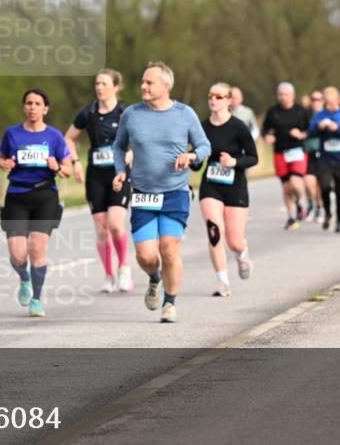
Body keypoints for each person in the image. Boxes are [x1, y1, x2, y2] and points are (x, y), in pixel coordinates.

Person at [111, 62, 210, 323]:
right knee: (145, 255)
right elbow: (119, 147)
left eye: (149, 82)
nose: (143, 86)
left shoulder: (184, 113)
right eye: (143, 82)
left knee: (169, 249)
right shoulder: (131, 114)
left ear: (166, 86)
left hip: (175, 192)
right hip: (143, 192)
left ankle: (170, 303)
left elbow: (204, 145)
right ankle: (154, 278)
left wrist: (191, 155)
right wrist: (120, 170)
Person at [0, 89, 72, 317]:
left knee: (38, 249)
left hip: (45, 197)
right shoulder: (12, 134)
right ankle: (24, 278)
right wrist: (5, 164)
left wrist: (57, 167)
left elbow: (67, 169)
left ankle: (37, 300)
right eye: (29, 103)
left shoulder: (55, 136)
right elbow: (0, 159)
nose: (32, 107)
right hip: (17, 196)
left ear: (45, 109)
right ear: (24, 107)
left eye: (37, 103)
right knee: (17, 255)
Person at [64, 69, 133, 294]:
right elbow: (69, 138)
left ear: (115, 87)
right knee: (102, 228)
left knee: (115, 224)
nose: (99, 88)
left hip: (119, 173)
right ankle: (108, 275)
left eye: (104, 84)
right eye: (97, 84)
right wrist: (75, 162)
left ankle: (123, 267)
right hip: (96, 175)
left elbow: (139, 141)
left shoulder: (126, 113)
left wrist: (127, 159)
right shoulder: (88, 112)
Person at [197, 82, 257, 297]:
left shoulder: (239, 127)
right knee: (214, 232)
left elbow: (253, 158)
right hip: (211, 185)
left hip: (235, 186)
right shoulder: (201, 128)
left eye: (219, 96)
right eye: (211, 95)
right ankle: (223, 282)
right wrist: (191, 160)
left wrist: (234, 162)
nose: (213, 99)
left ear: (229, 101)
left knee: (233, 240)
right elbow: (197, 158)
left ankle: (242, 252)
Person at [307, 87, 340, 233]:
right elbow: (310, 133)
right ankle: (328, 214)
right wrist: (319, 127)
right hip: (325, 159)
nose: (328, 105)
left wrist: (337, 129)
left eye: (330, 102)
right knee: (324, 186)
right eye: (326, 102)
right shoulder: (319, 115)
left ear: (337, 100)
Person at [262, 82, 310, 230]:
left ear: (293, 96)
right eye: (280, 94)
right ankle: (291, 216)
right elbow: (264, 130)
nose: (283, 97)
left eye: (286, 94)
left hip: (297, 151)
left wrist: (301, 134)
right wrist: (267, 137)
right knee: (286, 187)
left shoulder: (300, 111)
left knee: (296, 182)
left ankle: (300, 201)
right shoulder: (273, 112)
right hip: (280, 152)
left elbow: (310, 131)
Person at [302, 89, 325, 223]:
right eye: (313, 99)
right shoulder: (306, 115)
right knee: (308, 182)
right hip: (307, 151)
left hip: (322, 152)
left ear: (323, 101)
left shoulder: (326, 114)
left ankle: (320, 207)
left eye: (318, 99)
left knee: (319, 184)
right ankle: (311, 203)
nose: (316, 102)